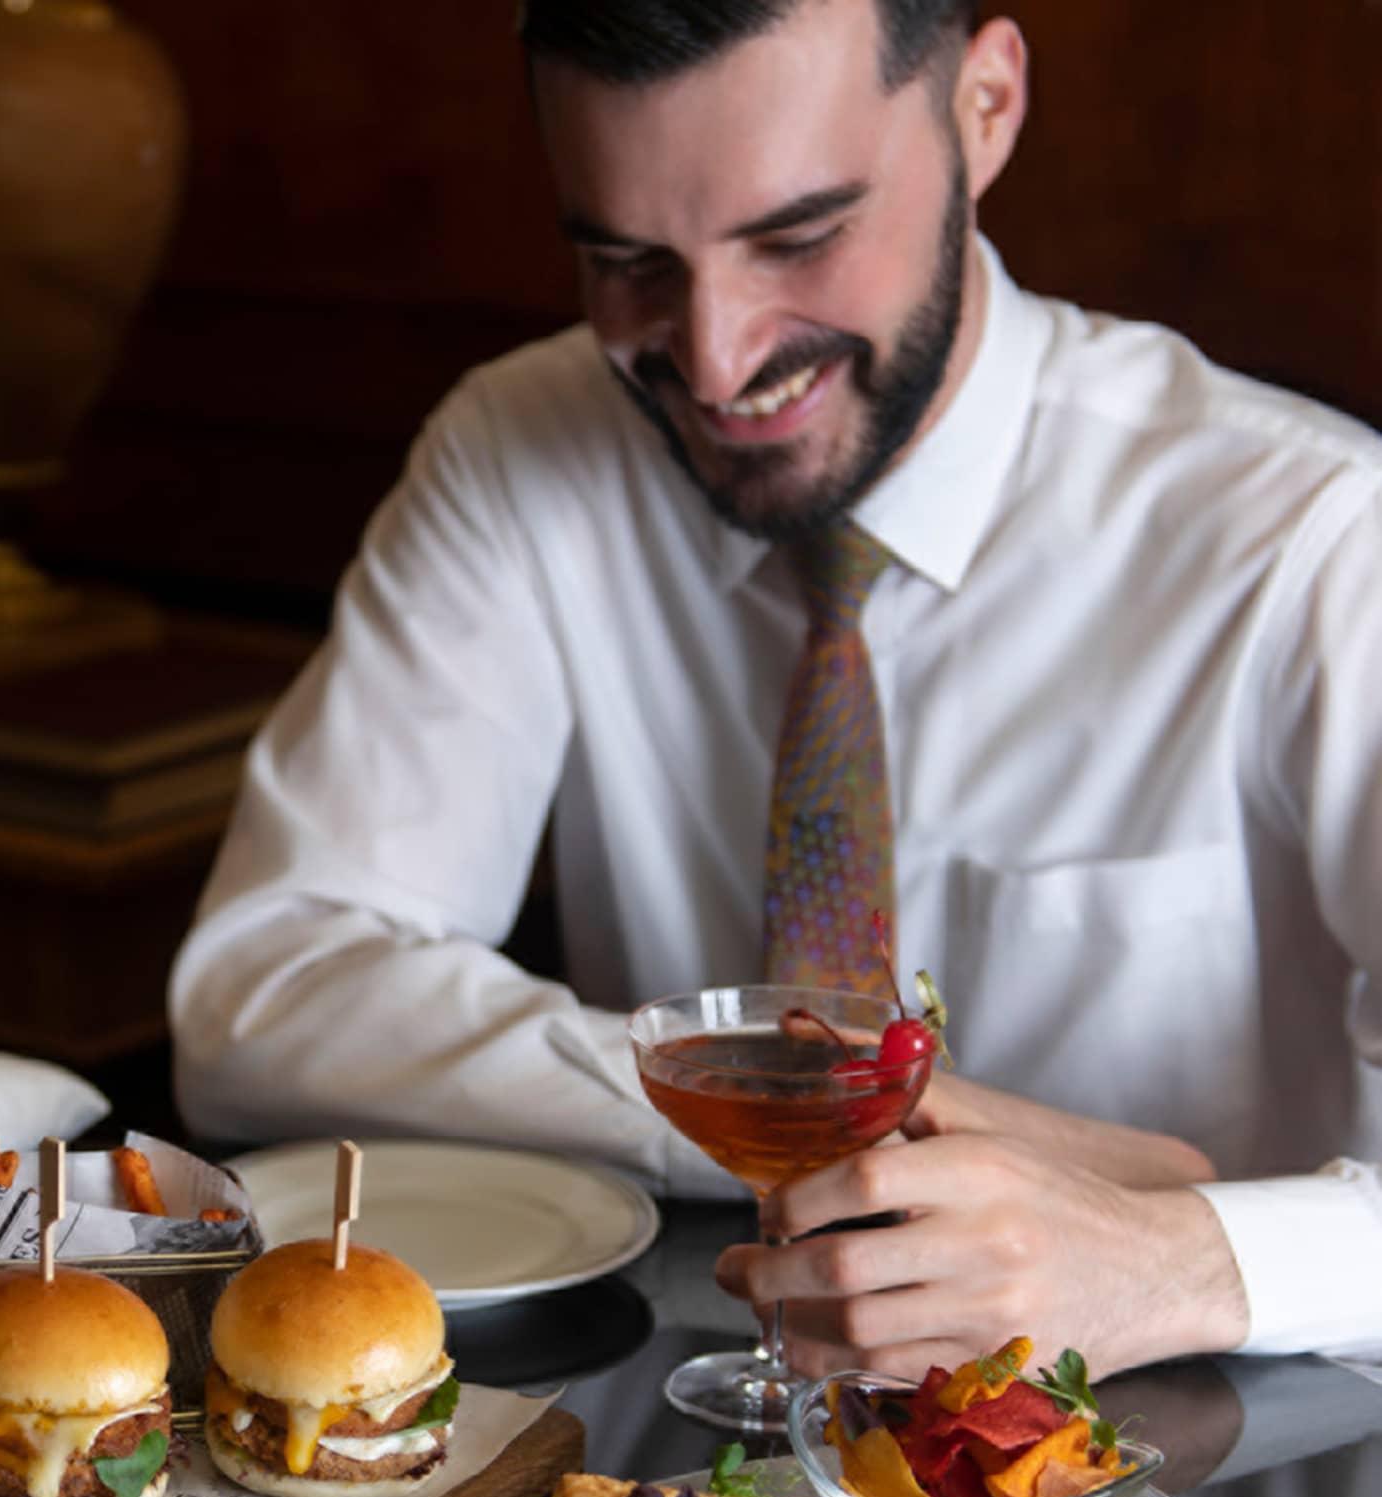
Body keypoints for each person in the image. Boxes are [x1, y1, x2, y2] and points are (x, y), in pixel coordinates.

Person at [169, 0, 1382, 1381]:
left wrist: (1170, 1253)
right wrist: (811, 1101)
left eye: (799, 237)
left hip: (1223, 1488)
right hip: (705, 1444)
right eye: (626, 260)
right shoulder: (520, 450)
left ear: (983, 108)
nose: (718, 358)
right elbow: (266, 999)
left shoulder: (1312, 539)